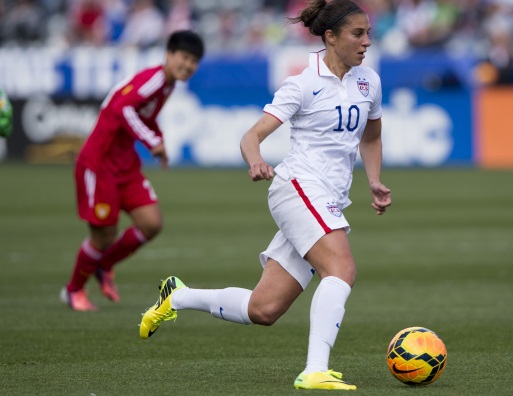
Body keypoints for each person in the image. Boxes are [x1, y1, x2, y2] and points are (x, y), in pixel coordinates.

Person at [139, 0, 392, 391]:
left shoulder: (369, 81)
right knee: (342, 269)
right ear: (330, 37)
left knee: (264, 308)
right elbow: (251, 135)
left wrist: (373, 180)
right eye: (358, 34)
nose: (366, 42)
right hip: (299, 188)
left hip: (328, 198)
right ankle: (315, 370)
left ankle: (179, 296)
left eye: (368, 34)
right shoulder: (302, 84)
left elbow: (371, 135)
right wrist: (255, 160)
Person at [60, 30, 205, 312]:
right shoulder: (156, 79)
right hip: (99, 165)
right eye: (184, 57)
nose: (188, 65)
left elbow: (143, 115)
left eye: (194, 61)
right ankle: (73, 290)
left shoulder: (167, 84)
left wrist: (158, 137)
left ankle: (104, 265)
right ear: (169, 54)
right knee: (104, 236)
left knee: (151, 223)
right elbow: (123, 110)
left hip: (125, 165)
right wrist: (153, 143)